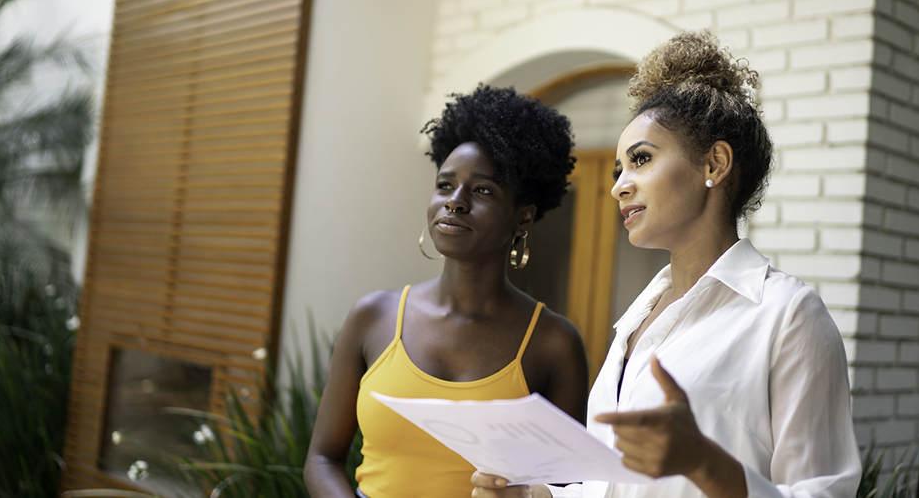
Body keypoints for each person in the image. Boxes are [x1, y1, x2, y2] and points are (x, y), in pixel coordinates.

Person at [472, 31, 861, 498]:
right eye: (618, 170)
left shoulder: (788, 317)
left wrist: (705, 463)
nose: (619, 186)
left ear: (714, 164)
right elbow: (612, 484)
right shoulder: (636, 322)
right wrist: (537, 496)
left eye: (641, 160)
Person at [305, 85, 590, 498]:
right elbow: (322, 459)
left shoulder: (553, 344)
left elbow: (566, 489)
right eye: (445, 185)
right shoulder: (374, 317)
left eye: (483, 190)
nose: (455, 202)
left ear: (522, 218)